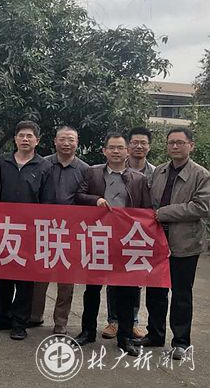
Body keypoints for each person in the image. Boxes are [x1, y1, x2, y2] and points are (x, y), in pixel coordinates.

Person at [74, 132, 151, 357]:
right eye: (112, 148)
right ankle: (88, 331)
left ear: (127, 151)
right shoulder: (93, 172)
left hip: (125, 241)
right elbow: (79, 196)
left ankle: (125, 337)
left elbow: (146, 210)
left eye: (120, 148)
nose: (116, 151)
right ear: (104, 151)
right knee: (92, 288)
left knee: (126, 291)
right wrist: (95, 200)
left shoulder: (138, 179)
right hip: (98, 238)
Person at [139, 127, 210, 360]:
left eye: (180, 142)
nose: (175, 146)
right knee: (155, 291)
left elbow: (202, 207)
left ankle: (181, 342)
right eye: (171, 142)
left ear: (191, 146)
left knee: (181, 294)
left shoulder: (201, 175)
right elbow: (150, 204)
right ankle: (155, 334)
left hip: (185, 243)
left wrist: (164, 213)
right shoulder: (159, 171)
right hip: (157, 241)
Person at [0, 121, 55, 341]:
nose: (25, 139)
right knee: (2, 276)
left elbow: (48, 202)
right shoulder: (1, 162)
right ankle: (2, 316)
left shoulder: (44, 167)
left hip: (30, 232)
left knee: (25, 280)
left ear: (37, 141)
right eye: (21, 135)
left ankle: (19, 322)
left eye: (29, 136)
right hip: (3, 229)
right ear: (15, 139)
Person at [29, 126, 89, 335]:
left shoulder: (85, 169)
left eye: (70, 139)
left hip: (70, 232)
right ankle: (34, 315)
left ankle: (61, 321)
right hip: (43, 229)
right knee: (39, 276)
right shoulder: (43, 164)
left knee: (66, 281)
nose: (66, 143)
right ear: (55, 141)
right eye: (62, 139)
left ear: (77, 143)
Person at [100, 127, 155, 340]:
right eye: (134, 142)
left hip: (136, 232)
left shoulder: (155, 172)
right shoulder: (111, 169)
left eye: (143, 143)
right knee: (112, 278)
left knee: (134, 278)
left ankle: (132, 322)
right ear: (128, 147)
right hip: (109, 231)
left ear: (149, 146)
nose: (139, 146)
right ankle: (113, 321)